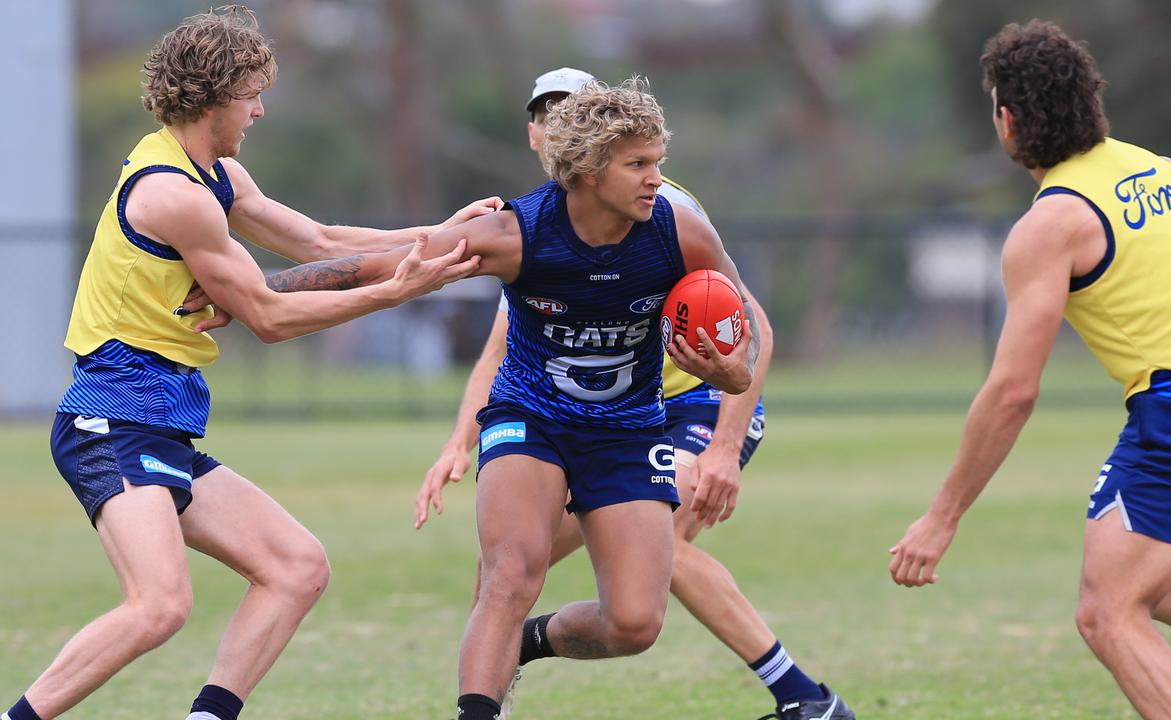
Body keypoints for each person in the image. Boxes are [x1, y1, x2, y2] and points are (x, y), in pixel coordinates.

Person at [2, 7, 494, 720]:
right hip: (110, 422)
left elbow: (322, 241)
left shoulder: (215, 175)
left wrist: (445, 235)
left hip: (158, 424)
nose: (259, 109)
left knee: (296, 566)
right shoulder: (174, 196)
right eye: (250, 94)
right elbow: (267, 316)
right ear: (210, 98)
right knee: (160, 605)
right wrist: (398, 290)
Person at [412, 67, 855, 720]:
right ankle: (495, 690)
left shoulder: (657, 206)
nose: (555, 123)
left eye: (573, 109)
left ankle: (804, 698)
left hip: (694, 405)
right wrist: (462, 438)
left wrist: (726, 447)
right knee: (506, 564)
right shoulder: (540, 224)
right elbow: (510, 343)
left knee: (652, 549)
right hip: (585, 417)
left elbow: (749, 324)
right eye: (545, 113)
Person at [888, 20, 1171, 720]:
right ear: (1090, 101)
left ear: (1007, 121)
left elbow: (1012, 391)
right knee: (1132, 576)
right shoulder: (1163, 172)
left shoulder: (1052, 224)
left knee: (1106, 612)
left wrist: (940, 518)